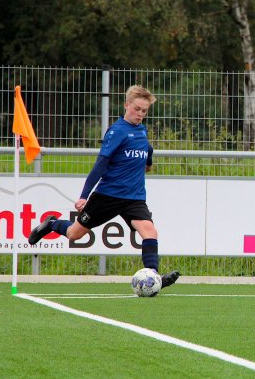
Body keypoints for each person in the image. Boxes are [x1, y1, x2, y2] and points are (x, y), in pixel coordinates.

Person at [28, 85, 179, 289]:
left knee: (150, 232)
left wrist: (148, 161)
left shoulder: (141, 131)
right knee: (74, 234)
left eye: (144, 111)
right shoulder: (117, 131)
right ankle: (51, 224)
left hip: (134, 198)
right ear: (126, 105)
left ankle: (153, 277)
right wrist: (84, 196)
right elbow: (100, 165)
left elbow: (146, 149)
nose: (140, 114)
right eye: (137, 109)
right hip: (107, 195)